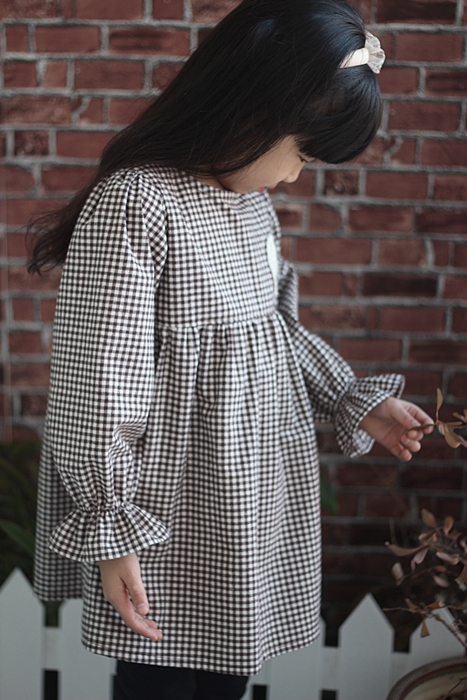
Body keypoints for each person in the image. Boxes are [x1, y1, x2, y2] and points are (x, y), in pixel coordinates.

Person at [30, 1, 432, 698]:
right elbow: (97, 383)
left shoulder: (248, 203)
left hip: (241, 508)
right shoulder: (137, 204)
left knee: (224, 681)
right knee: (158, 681)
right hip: (165, 518)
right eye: (300, 151)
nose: (296, 175)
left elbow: (268, 334)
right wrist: (113, 530)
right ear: (253, 106)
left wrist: (350, 398)